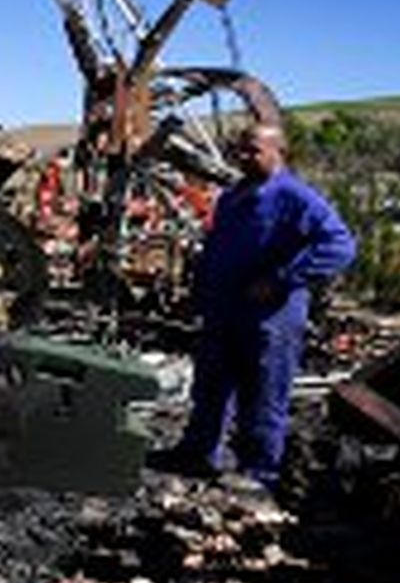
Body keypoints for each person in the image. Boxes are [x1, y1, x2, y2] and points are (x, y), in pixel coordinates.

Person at [150, 121, 356, 490]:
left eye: (253, 150)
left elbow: (340, 246)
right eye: (240, 150)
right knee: (211, 386)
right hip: (223, 309)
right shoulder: (233, 196)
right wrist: (198, 293)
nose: (243, 156)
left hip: (270, 317)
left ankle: (259, 471)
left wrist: (282, 279)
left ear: (279, 152)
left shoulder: (296, 197)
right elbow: (215, 249)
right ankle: (198, 452)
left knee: (263, 392)